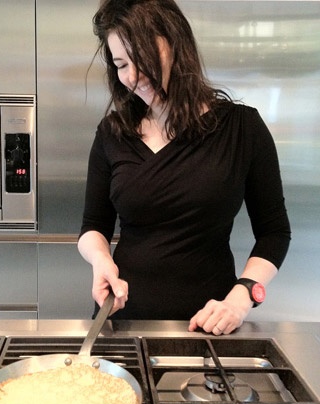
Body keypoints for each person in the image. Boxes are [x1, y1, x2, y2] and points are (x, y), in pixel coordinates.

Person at [78, 0, 291, 335]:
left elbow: (275, 233)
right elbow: (93, 226)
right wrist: (100, 261)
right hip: (122, 321)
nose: (132, 77)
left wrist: (242, 296)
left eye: (142, 57)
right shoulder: (113, 132)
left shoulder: (242, 128)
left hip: (209, 323)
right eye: (120, 64)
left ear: (175, 43)